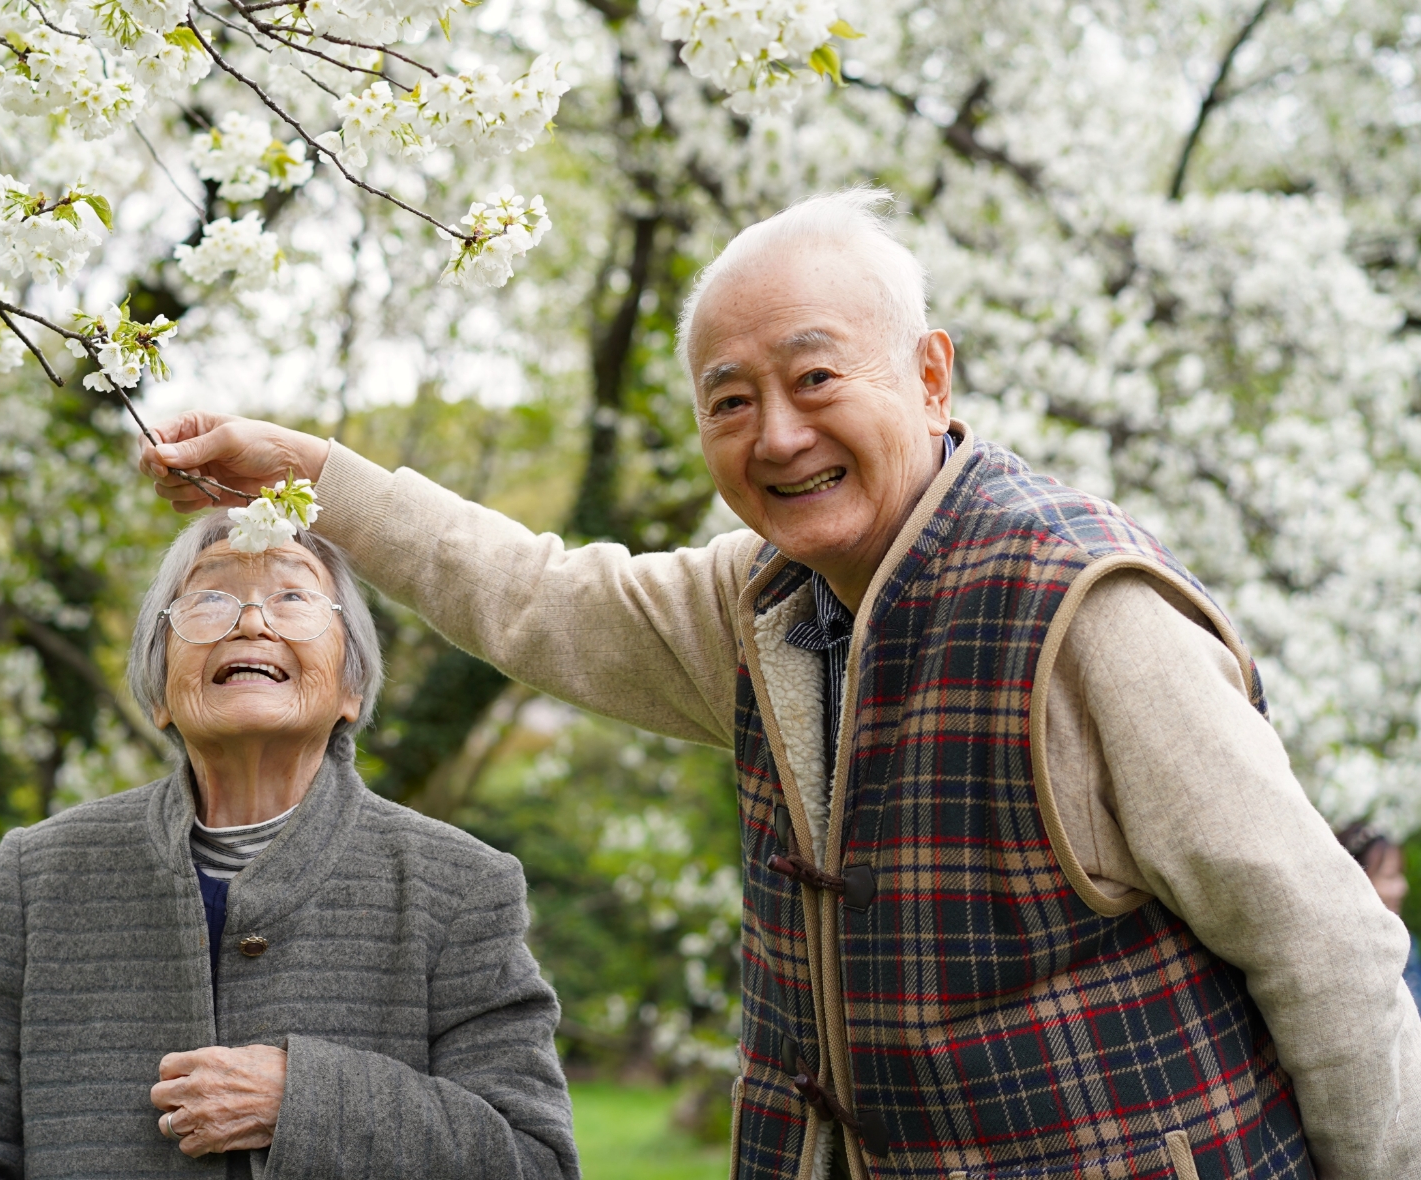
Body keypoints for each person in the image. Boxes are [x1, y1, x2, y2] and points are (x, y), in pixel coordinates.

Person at [139, 187, 1421, 1180]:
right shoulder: (751, 604)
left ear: (927, 374)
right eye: (730, 400)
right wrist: (312, 471)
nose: (778, 435)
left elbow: (1325, 948)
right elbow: (528, 592)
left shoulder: (1087, 610)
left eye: (814, 377)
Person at [0, 516, 579, 1180]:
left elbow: (535, 1159)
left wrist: (302, 1102)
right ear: (161, 690)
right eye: (210, 599)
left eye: (293, 597)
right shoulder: (40, 875)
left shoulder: (460, 887)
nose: (251, 622)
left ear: (351, 686)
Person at [1336, 821, 1421, 1011]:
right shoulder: (1343, 956)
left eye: (1400, 873)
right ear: (1357, 879)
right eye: (1390, 876)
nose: (1402, 887)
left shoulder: (1408, 943)